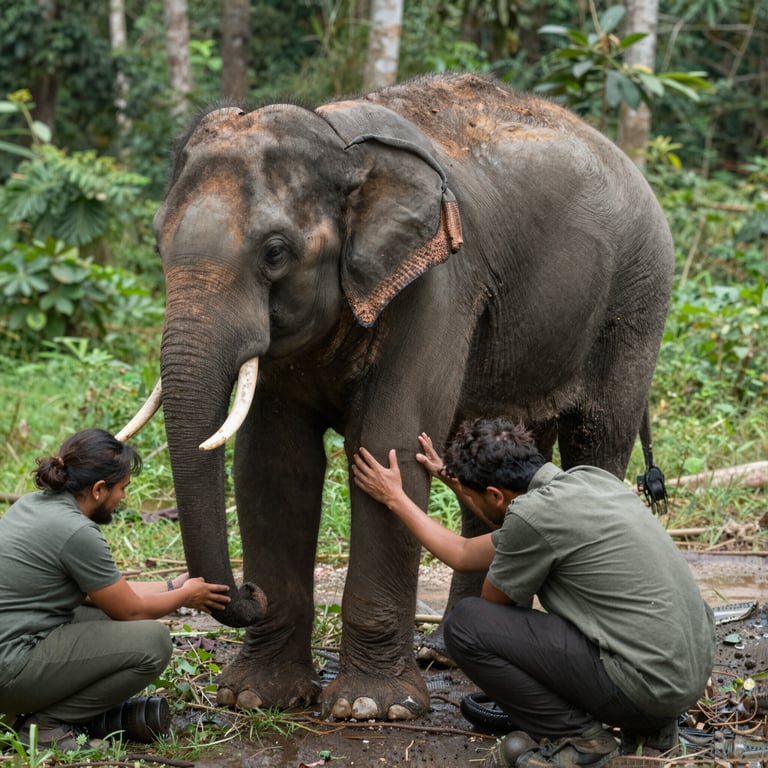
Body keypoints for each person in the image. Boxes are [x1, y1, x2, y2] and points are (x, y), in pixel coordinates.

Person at [351, 418, 714, 768]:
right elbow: (464, 555)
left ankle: (581, 742)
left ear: (495, 495)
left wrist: (394, 497)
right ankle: (653, 732)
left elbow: (491, 615)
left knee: (465, 625)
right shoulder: (590, 481)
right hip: (684, 676)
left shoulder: (531, 518)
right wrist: (458, 482)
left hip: (646, 687)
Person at [0, 428, 231, 750]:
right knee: (153, 642)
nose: (123, 498)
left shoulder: (32, 506)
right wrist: (187, 596)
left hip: (10, 651)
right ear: (98, 489)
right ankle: (48, 727)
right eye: (122, 488)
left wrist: (170, 586)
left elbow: (105, 591)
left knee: (102, 617)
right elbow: (130, 610)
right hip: (10, 668)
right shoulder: (76, 531)